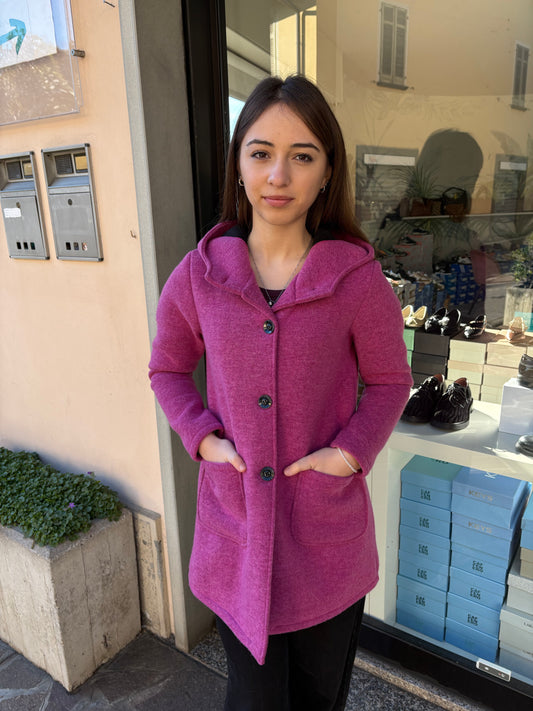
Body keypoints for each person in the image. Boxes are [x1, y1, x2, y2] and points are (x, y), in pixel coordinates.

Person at [149, 75, 413, 710]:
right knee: (254, 699)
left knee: (319, 699)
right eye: (261, 153)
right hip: (236, 537)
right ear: (238, 164)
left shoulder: (355, 279)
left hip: (326, 542)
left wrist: (348, 455)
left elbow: (390, 382)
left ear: (327, 173)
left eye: (302, 156)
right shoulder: (201, 275)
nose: (278, 175)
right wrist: (201, 438)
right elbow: (167, 369)